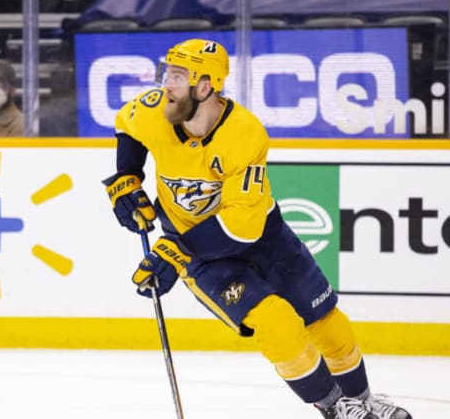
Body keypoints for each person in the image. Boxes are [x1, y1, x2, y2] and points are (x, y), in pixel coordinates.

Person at [102, 39, 412, 419]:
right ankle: (335, 409)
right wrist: (127, 178)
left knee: (330, 325)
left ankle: (363, 403)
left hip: (260, 237)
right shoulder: (153, 109)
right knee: (277, 325)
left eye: (178, 76)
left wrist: (176, 249)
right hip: (205, 259)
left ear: (205, 86)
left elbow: (241, 226)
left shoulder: (244, 133)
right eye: (167, 73)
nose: (166, 84)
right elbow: (126, 126)